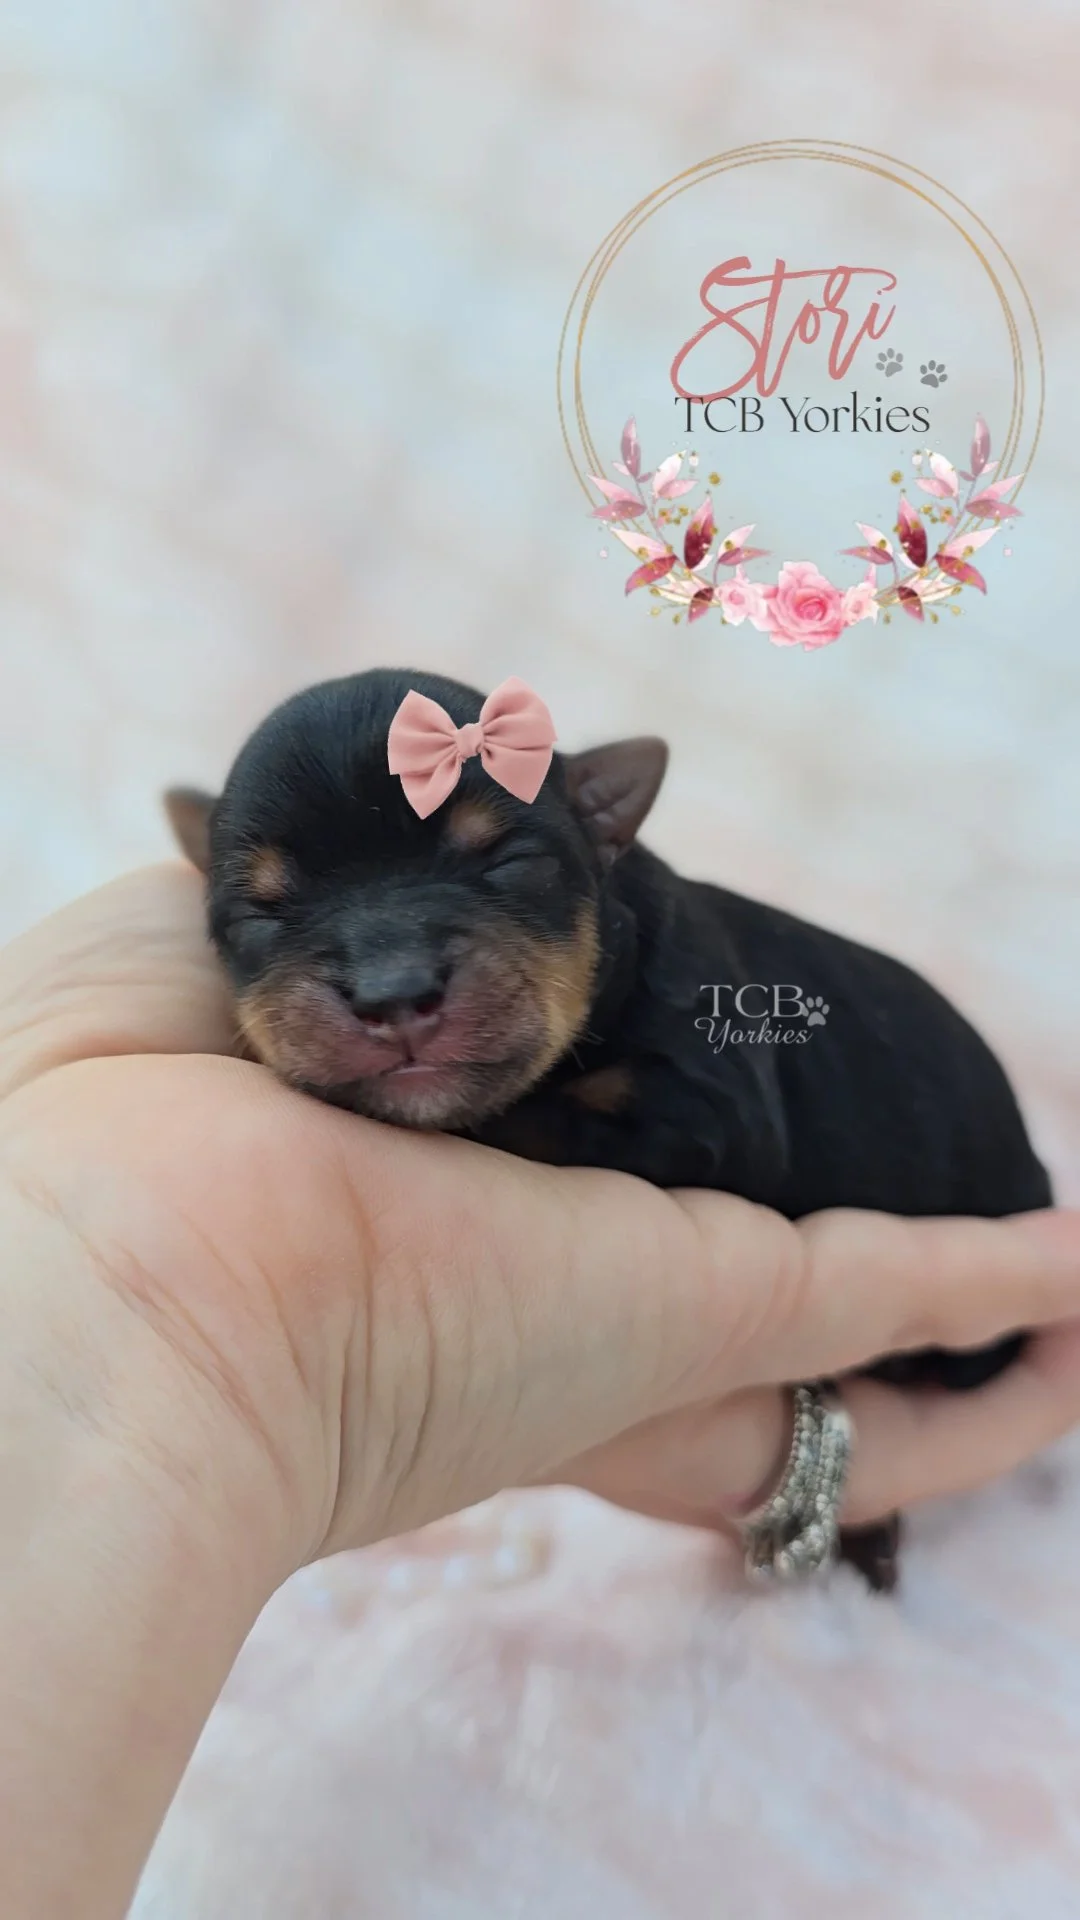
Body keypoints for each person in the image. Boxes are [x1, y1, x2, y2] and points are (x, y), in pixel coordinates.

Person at [3, 862, 1080, 1918]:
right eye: (265, 908)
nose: (389, 988)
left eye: (499, 870)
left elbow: (719, 1130)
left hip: (949, 1245)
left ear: (602, 838)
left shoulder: (718, 1012)